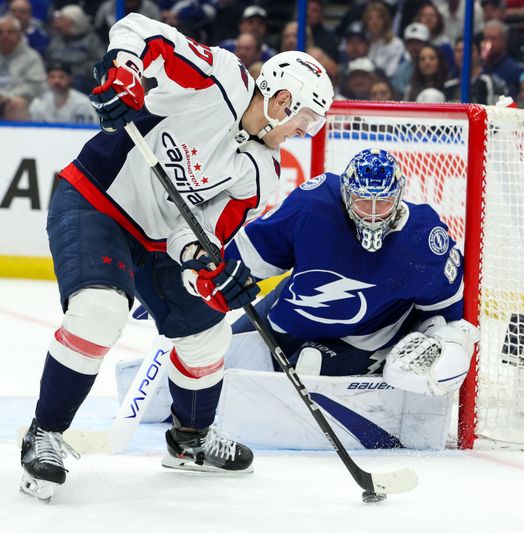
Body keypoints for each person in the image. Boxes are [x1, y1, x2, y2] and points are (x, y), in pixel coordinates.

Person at [19, 13, 333, 502]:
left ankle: (190, 442)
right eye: (304, 119)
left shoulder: (262, 169)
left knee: (209, 335)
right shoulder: (221, 80)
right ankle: (44, 432)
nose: (303, 131)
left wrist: (213, 271)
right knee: (100, 312)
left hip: (159, 237)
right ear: (282, 99)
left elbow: (198, 237)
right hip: (95, 201)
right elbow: (143, 31)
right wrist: (124, 70)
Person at [223, 149, 477, 393]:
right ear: (346, 192)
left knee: (308, 367)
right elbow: (250, 255)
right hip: (292, 314)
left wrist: (446, 348)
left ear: (398, 196)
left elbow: (447, 317)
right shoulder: (314, 204)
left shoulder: (422, 240)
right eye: (364, 201)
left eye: (384, 202)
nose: (374, 214)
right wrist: (224, 277)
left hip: (362, 341)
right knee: (219, 356)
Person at [29, 61, 97, 124]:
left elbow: (90, 130)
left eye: (61, 77)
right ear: (47, 79)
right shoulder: (38, 103)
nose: (56, 81)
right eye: (52, 77)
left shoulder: (83, 104)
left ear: (70, 79)